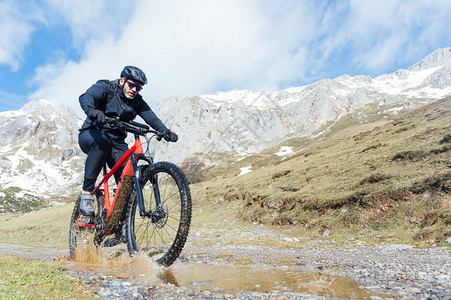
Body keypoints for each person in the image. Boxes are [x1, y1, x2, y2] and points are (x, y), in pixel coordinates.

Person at [77, 66, 178, 219]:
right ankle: (86, 193)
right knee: (102, 144)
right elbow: (86, 97)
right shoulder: (106, 87)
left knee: (128, 175)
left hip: (117, 142)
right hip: (92, 133)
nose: (134, 89)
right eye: (131, 85)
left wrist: (165, 131)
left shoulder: (137, 101)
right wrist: (93, 111)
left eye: (138, 87)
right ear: (122, 80)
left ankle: (122, 222)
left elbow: (151, 118)